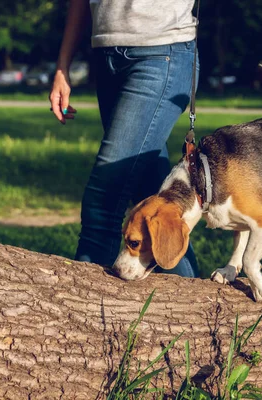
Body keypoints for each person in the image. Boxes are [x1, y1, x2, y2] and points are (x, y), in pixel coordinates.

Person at [49, 0, 200, 277]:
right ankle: (194, 306)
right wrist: (62, 66)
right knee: (153, 201)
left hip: (161, 52)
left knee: (104, 198)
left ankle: (84, 306)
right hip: (107, 56)